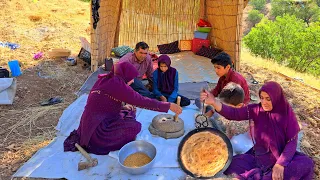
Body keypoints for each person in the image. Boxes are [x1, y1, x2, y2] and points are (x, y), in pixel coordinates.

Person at [200, 81, 314, 180]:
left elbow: (292, 142)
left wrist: (280, 164)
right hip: (260, 156)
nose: (264, 102)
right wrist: (214, 102)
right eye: (262, 98)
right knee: (229, 164)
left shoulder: (286, 115)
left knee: (306, 164)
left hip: (282, 156)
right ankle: (261, 175)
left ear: (276, 98)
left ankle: (260, 176)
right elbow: (234, 113)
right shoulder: (256, 110)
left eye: (268, 99)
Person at [64, 62, 182, 155]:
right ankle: (100, 141)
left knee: (129, 110)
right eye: (131, 78)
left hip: (87, 124)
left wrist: (121, 106)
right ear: (125, 75)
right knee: (135, 127)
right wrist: (168, 105)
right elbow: (142, 101)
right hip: (96, 130)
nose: (132, 81)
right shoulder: (117, 84)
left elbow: (105, 99)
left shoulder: (107, 78)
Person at [195, 52, 250, 118]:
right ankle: (210, 110)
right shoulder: (222, 77)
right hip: (224, 100)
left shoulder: (236, 80)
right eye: (215, 67)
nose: (216, 70)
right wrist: (207, 95)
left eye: (218, 68)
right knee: (198, 100)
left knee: (216, 115)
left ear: (228, 67)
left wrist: (214, 107)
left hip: (235, 105)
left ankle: (211, 112)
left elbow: (231, 102)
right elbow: (216, 90)